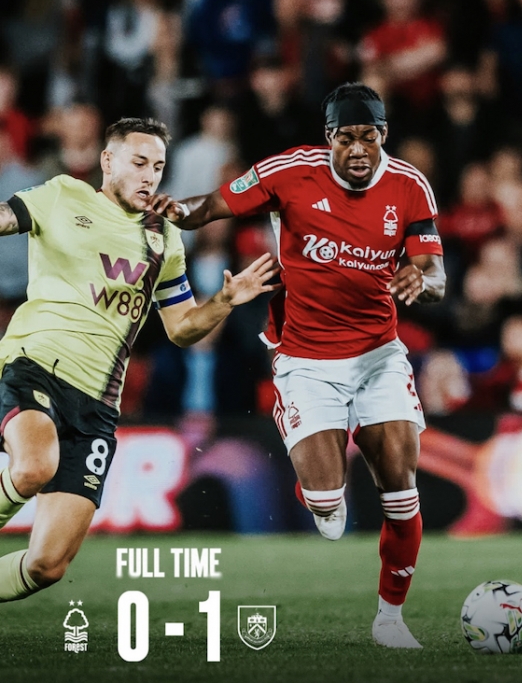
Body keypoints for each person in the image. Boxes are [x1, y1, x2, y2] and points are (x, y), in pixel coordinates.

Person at [156, 82, 446, 648]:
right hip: (306, 357)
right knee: (328, 508)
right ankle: (313, 470)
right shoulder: (288, 172)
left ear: (384, 135)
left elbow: (433, 273)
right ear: (328, 138)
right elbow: (209, 206)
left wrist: (422, 279)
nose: (358, 149)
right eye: (346, 138)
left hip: (379, 354)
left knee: (400, 489)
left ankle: (390, 619)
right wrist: (176, 211)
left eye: (369, 137)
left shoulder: (410, 185)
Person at [0, 116, 279, 602]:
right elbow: (5, 217)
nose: (150, 176)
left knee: (47, 565)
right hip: (37, 365)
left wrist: (224, 301)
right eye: (139, 163)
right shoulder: (63, 195)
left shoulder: (164, 239)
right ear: (108, 161)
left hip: (97, 407)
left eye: (158, 167)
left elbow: (182, 328)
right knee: (33, 468)